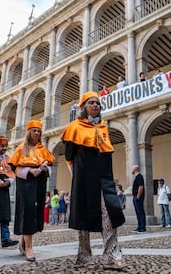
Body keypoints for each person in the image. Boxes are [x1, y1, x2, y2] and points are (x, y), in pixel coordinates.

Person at [61, 91, 125, 270]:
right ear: (84, 107)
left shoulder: (104, 127)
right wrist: (76, 178)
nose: (96, 105)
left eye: (98, 103)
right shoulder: (74, 127)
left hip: (104, 179)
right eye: (91, 102)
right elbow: (69, 156)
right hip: (83, 179)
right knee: (83, 216)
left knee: (109, 213)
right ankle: (84, 256)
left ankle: (112, 255)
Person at [9, 119, 55, 262]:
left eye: (39, 131)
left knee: (35, 212)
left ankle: (24, 240)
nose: (36, 133)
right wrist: (29, 170)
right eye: (34, 130)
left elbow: (50, 163)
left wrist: (46, 169)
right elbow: (14, 168)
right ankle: (29, 247)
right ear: (29, 132)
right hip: (26, 183)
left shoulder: (43, 149)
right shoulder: (21, 148)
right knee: (28, 211)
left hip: (40, 182)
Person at [131, 165, 146, 233]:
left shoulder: (139, 176)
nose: (131, 170)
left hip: (138, 198)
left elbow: (141, 187)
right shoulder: (137, 177)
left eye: (132, 168)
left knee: (140, 212)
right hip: (136, 197)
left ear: (134, 169)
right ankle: (139, 227)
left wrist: (137, 197)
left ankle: (142, 228)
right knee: (138, 213)